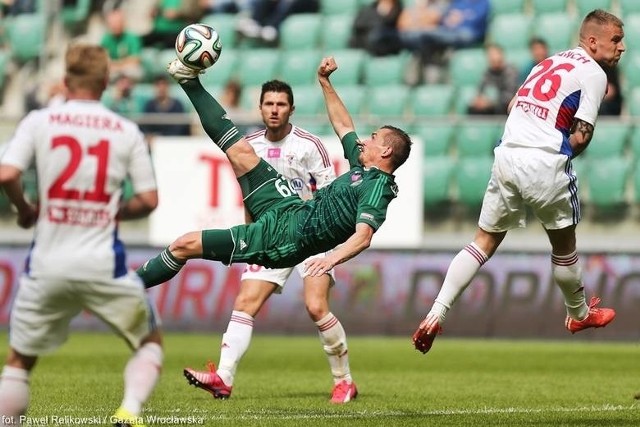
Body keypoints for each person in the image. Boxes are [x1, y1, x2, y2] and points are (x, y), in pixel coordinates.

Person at [135, 57, 411, 395]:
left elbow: (364, 236)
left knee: (183, 245)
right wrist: (325, 81)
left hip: (287, 239)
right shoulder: (361, 167)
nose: (365, 140)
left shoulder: (377, 188)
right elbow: (343, 125)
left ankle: (124, 289)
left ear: (384, 150)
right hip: (289, 208)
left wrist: (331, 259)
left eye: (373, 138)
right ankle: (188, 79)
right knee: (240, 150)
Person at [412, 9, 625, 355]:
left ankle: (436, 312)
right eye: (615, 40)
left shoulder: (548, 62)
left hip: (507, 155)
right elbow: (582, 136)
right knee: (564, 246)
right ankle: (578, 313)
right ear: (591, 41)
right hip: (544, 160)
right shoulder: (594, 73)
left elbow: (514, 104)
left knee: (483, 241)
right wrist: (556, 158)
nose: (622, 47)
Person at [0, 44, 162, 426]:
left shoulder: (40, 121)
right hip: (103, 263)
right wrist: (113, 211)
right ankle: (129, 412)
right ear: (106, 82)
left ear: (65, 80)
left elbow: (7, 173)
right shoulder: (126, 130)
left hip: (47, 264)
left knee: (20, 361)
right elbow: (150, 199)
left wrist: (25, 211)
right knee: (148, 341)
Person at [182, 79, 357, 404]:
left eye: (281, 104)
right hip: (271, 235)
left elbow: (332, 193)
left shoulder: (308, 145)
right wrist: (253, 236)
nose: (274, 110)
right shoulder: (248, 145)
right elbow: (249, 197)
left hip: (312, 233)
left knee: (316, 306)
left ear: (291, 109)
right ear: (260, 108)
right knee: (245, 302)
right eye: (269, 104)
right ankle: (223, 378)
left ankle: (344, 381)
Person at [398, 0, 490, 66]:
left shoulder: (483, 2)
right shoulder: (458, 2)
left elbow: (476, 20)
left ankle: (437, 53)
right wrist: (450, 21)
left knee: (463, 35)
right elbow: (445, 20)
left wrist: (462, 18)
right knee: (424, 34)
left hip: (470, 33)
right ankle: (431, 56)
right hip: (450, 32)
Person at [467, 43, 520, 115]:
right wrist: (478, 100)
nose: (493, 58)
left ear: (501, 55)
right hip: (491, 106)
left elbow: (509, 96)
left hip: (507, 107)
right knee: (473, 108)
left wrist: (490, 103)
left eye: (495, 54)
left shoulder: (510, 71)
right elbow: (480, 90)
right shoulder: (487, 72)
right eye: (490, 55)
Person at [100, 8, 144, 81]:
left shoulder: (132, 37)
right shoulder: (106, 39)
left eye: (117, 22)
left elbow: (136, 59)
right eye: (112, 23)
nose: (115, 25)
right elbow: (103, 60)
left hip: (127, 70)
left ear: (123, 23)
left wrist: (117, 65)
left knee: (134, 71)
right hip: (113, 71)